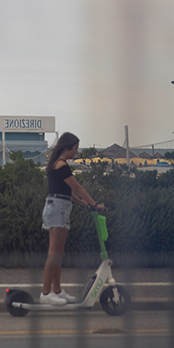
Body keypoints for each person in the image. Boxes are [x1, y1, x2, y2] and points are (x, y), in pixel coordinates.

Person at [40, 131, 105, 306]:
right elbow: (76, 186)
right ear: (67, 147)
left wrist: (83, 203)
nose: (76, 152)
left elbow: (65, 190)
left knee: (58, 254)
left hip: (58, 206)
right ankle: (46, 293)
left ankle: (57, 291)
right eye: (75, 148)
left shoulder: (57, 164)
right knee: (54, 254)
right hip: (58, 209)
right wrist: (93, 204)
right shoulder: (62, 165)